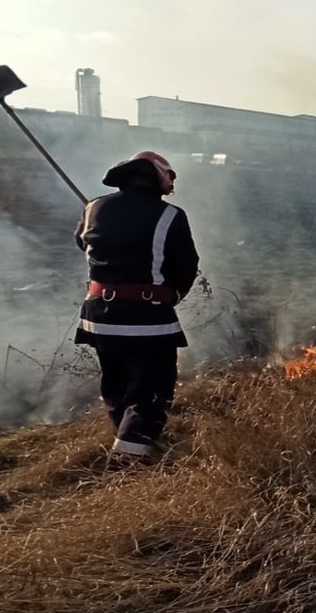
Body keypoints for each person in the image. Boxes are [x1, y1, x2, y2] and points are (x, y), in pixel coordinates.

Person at [74, 151, 199, 458]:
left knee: (117, 387)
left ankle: (129, 439)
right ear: (159, 178)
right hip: (146, 316)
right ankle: (129, 460)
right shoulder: (171, 215)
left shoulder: (93, 208)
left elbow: (83, 243)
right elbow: (185, 264)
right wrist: (173, 295)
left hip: (99, 316)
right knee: (151, 391)